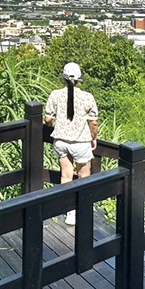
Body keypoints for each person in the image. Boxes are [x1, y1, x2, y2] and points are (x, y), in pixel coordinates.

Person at [44, 62, 99, 225]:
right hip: (81, 142)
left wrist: (49, 126)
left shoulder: (55, 94)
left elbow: (47, 119)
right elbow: (93, 123)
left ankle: (69, 212)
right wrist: (93, 138)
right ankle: (83, 208)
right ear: (79, 78)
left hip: (61, 141)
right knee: (83, 177)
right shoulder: (87, 97)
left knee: (66, 176)